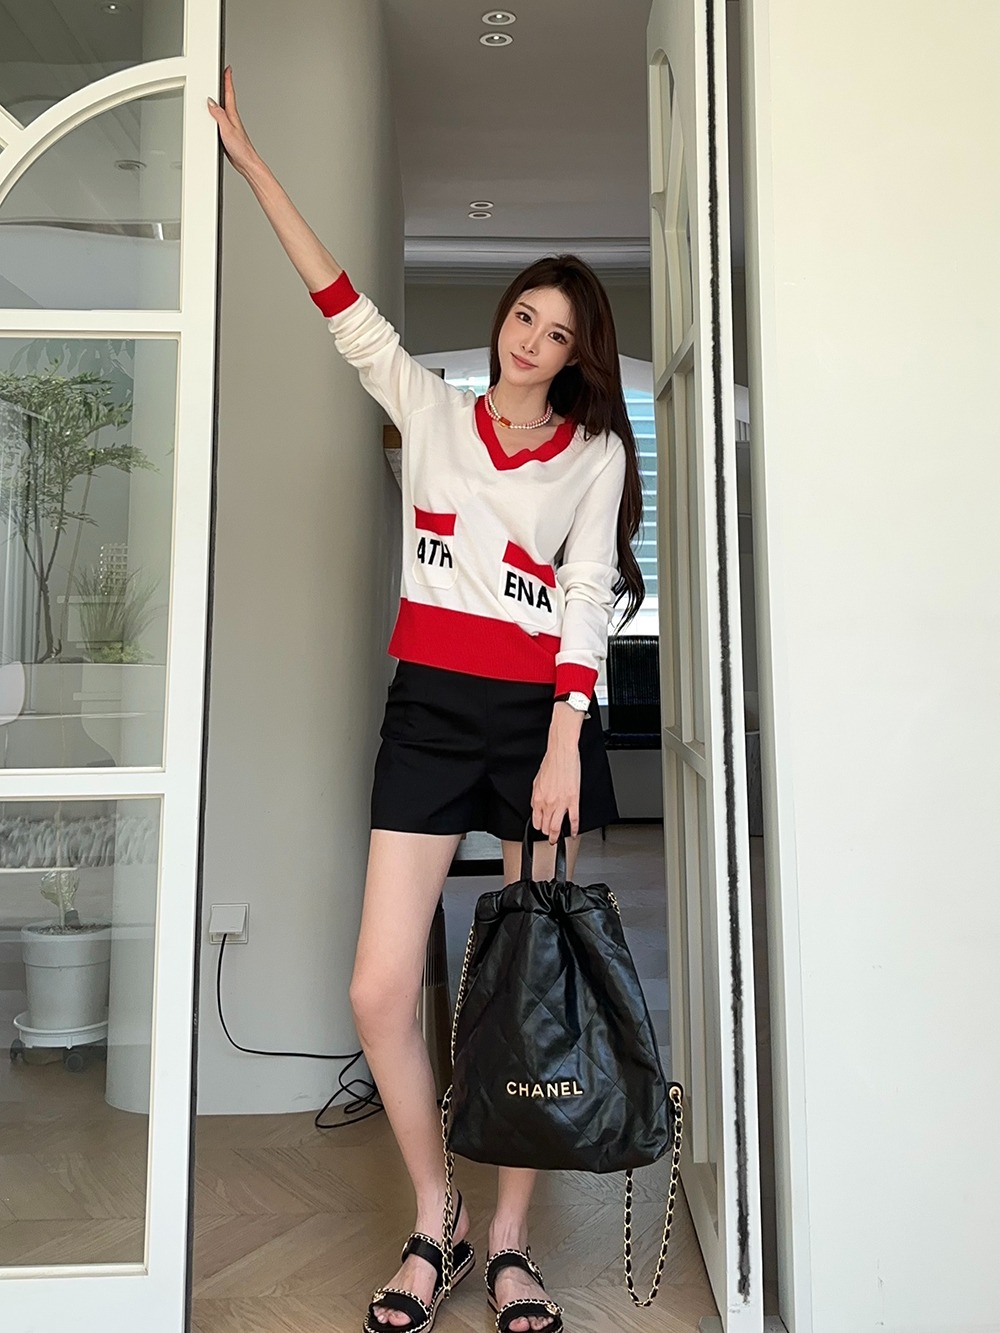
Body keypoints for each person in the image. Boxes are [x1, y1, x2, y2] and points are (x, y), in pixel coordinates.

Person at [209, 66, 645, 1333]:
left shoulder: (593, 455)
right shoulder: (431, 413)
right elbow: (339, 302)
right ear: (503, 319)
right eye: (525, 317)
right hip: (431, 710)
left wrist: (564, 738)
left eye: (558, 333)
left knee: (527, 986)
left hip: (539, 725)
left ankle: (507, 1241)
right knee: (378, 987)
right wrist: (251, 161)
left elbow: (584, 595)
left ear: (578, 355)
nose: (532, 341)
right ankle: (434, 1211)